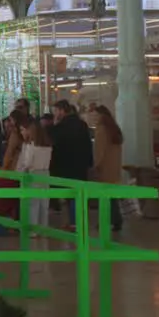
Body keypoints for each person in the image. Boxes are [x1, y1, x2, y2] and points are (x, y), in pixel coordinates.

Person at [49, 99, 93, 229]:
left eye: (56, 111)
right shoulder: (82, 125)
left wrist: (55, 124)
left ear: (62, 111)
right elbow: (88, 145)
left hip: (64, 166)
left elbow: (53, 143)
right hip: (80, 165)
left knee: (69, 195)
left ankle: (74, 223)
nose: (55, 114)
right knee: (78, 194)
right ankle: (78, 221)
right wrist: (89, 162)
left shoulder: (60, 127)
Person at [92, 105, 125, 232]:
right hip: (114, 167)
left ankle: (105, 221)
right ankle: (116, 220)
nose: (94, 118)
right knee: (112, 196)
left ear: (102, 116)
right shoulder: (114, 129)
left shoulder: (101, 130)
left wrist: (96, 166)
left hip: (104, 168)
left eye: (95, 115)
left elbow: (100, 150)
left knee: (104, 196)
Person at [18, 119, 52, 233]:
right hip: (45, 174)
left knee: (32, 203)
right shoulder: (48, 145)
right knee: (44, 203)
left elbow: (27, 163)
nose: (22, 133)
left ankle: (33, 229)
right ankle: (44, 228)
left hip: (32, 174)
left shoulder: (30, 146)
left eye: (23, 130)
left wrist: (21, 170)